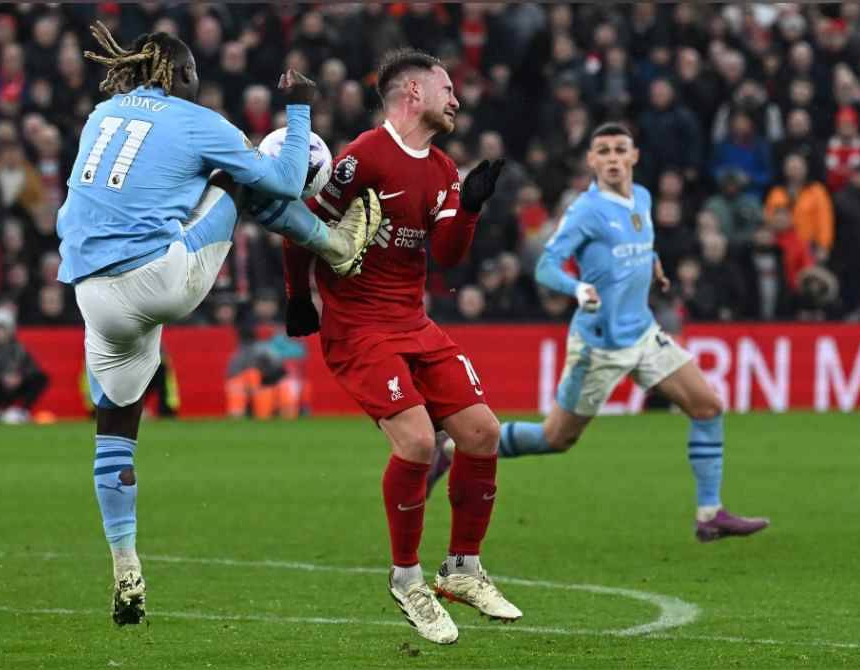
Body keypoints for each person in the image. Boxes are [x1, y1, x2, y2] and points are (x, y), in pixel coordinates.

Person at [58, 22, 382, 627]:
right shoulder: (194, 118)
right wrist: (300, 111)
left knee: (116, 430)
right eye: (195, 78)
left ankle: (126, 564)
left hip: (90, 292)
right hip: (159, 278)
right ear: (179, 76)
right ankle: (336, 247)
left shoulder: (99, 116)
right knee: (246, 171)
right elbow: (285, 180)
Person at [429, 123, 769, 543]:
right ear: (591, 161)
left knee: (707, 406)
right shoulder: (586, 211)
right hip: (598, 346)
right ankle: (448, 452)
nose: (611, 157)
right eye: (602, 151)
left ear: (633, 156)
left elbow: (640, 243)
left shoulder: (641, 198)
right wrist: (577, 287)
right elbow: (546, 265)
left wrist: (655, 267)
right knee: (555, 438)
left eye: (619, 149)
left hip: (643, 334)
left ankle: (710, 514)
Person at [281, 48, 520, 645]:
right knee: (417, 441)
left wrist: (469, 206)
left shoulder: (441, 169)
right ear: (413, 93)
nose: (456, 99)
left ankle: (462, 568)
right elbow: (304, 225)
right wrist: (297, 296)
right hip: (358, 328)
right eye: (446, 88)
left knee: (483, 431)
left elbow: (446, 257)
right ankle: (406, 577)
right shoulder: (363, 155)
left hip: (413, 322)